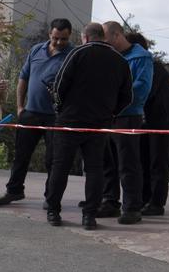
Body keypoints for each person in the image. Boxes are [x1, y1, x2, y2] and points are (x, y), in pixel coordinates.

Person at [45, 23, 132, 230]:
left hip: (70, 121)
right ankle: (89, 216)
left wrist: (60, 109)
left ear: (85, 37)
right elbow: (127, 96)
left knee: (60, 167)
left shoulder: (77, 54)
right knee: (95, 170)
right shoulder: (120, 61)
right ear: (103, 37)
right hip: (99, 123)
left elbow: (59, 85)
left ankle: (53, 211)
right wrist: (111, 114)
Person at [0, 19, 73, 206]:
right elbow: (23, 78)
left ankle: (51, 197)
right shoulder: (36, 50)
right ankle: (14, 191)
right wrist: (20, 107)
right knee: (21, 155)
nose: (58, 43)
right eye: (55, 38)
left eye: (63, 39)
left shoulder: (73, 54)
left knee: (53, 159)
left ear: (69, 36)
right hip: (30, 113)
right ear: (49, 34)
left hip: (55, 117)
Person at [100, 21, 153, 223]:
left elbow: (141, 88)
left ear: (116, 36)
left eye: (105, 39)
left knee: (127, 163)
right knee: (107, 162)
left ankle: (132, 207)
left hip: (128, 115)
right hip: (107, 116)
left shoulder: (142, 57)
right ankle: (109, 201)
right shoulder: (108, 56)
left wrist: (113, 97)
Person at [126, 33, 169, 216]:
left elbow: (145, 93)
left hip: (160, 123)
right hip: (147, 122)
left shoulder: (152, 67)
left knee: (158, 162)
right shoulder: (148, 66)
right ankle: (144, 199)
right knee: (144, 161)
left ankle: (156, 203)